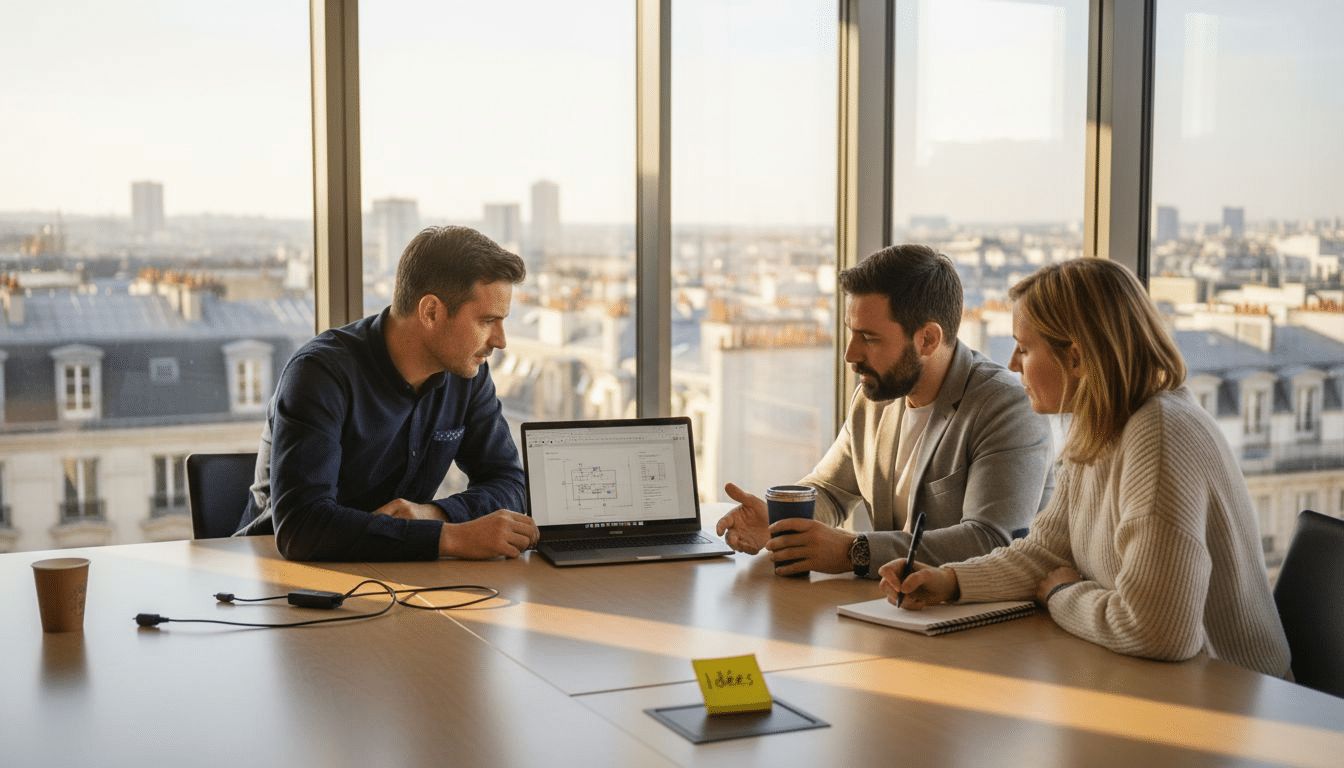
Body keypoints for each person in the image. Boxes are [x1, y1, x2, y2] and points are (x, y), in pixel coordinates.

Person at [884, 258, 1292, 677]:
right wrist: (949, 582)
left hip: (1234, 706)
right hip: (1164, 687)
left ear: (1075, 358)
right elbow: (1047, 553)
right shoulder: (1103, 426)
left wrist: (1063, 593)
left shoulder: (1159, 435)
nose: (1012, 365)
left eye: (1024, 348)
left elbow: (1157, 631)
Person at [716, 244, 1054, 577]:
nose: (850, 354)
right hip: (896, 609)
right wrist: (780, 524)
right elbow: (831, 491)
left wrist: (854, 551)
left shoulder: (1006, 406)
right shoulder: (875, 397)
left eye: (869, 338)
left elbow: (992, 540)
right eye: (851, 333)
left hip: (984, 620)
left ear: (927, 340)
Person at [234, 225, 539, 562]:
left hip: (395, 573)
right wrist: (447, 538)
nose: (501, 340)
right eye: (487, 321)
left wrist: (436, 515)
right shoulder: (319, 374)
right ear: (431, 312)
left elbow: (510, 483)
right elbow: (303, 528)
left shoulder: (468, 374)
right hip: (279, 578)